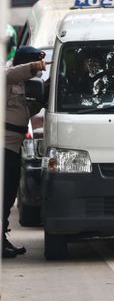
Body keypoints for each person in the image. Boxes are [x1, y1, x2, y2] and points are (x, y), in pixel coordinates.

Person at [4, 46, 47, 258]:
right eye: (33, 65)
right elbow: (10, 73)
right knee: (4, 196)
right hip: (4, 147)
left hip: (14, 146)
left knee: (9, 195)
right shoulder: (7, 77)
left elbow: (26, 110)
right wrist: (32, 66)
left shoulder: (24, 85)